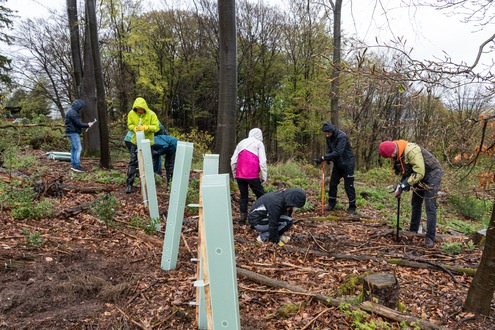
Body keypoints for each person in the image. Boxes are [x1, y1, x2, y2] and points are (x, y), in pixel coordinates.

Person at [378, 140, 443, 248]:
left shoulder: (411, 150)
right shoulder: (398, 155)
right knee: (416, 202)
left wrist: (405, 184)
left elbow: (419, 172)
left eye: (391, 155)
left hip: (432, 173)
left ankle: (430, 238)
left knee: (430, 205)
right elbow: (406, 172)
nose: (391, 158)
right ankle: (413, 231)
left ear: (394, 149)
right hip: (419, 174)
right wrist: (401, 186)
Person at [315, 122, 357, 214]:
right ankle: (331, 204)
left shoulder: (342, 137)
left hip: (347, 164)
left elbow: (338, 151)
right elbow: (330, 149)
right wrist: (327, 158)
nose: (327, 134)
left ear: (332, 131)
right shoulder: (328, 137)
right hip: (338, 164)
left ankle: (352, 207)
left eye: (328, 133)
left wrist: (324, 157)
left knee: (348, 186)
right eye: (325, 133)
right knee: (332, 183)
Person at [230, 128, 267, 225]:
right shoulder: (258, 144)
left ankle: (242, 219)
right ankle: (262, 215)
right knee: (261, 196)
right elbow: (262, 161)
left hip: (240, 174)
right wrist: (264, 176)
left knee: (243, 196)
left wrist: (235, 174)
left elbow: (233, 160)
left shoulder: (241, 143)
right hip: (252, 174)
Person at [125, 97, 160, 194]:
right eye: (137, 109)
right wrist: (135, 128)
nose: (139, 111)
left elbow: (156, 127)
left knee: (148, 163)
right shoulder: (131, 113)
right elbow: (129, 125)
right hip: (135, 142)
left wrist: (146, 127)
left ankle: (149, 186)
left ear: (144, 108)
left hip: (148, 143)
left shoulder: (151, 114)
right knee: (133, 163)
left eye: (141, 109)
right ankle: (129, 185)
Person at [64, 99, 95, 173]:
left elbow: (77, 123)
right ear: (78, 106)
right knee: (78, 148)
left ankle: (74, 164)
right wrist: (88, 124)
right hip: (73, 133)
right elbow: (78, 123)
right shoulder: (73, 113)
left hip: (71, 132)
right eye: (81, 107)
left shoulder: (71, 111)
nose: (81, 109)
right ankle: (76, 166)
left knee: (74, 149)